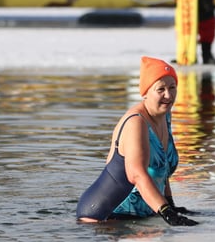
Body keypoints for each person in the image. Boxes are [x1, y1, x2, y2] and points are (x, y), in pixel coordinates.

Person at [76, 56, 197, 226]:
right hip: (104, 219)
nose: (168, 95)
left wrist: (170, 205)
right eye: (160, 89)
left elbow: (161, 170)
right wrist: (167, 213)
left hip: (139, 217)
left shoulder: (164, 115)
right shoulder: (136, 122)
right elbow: (136, 175)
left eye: (172, 87)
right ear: (145, 92)